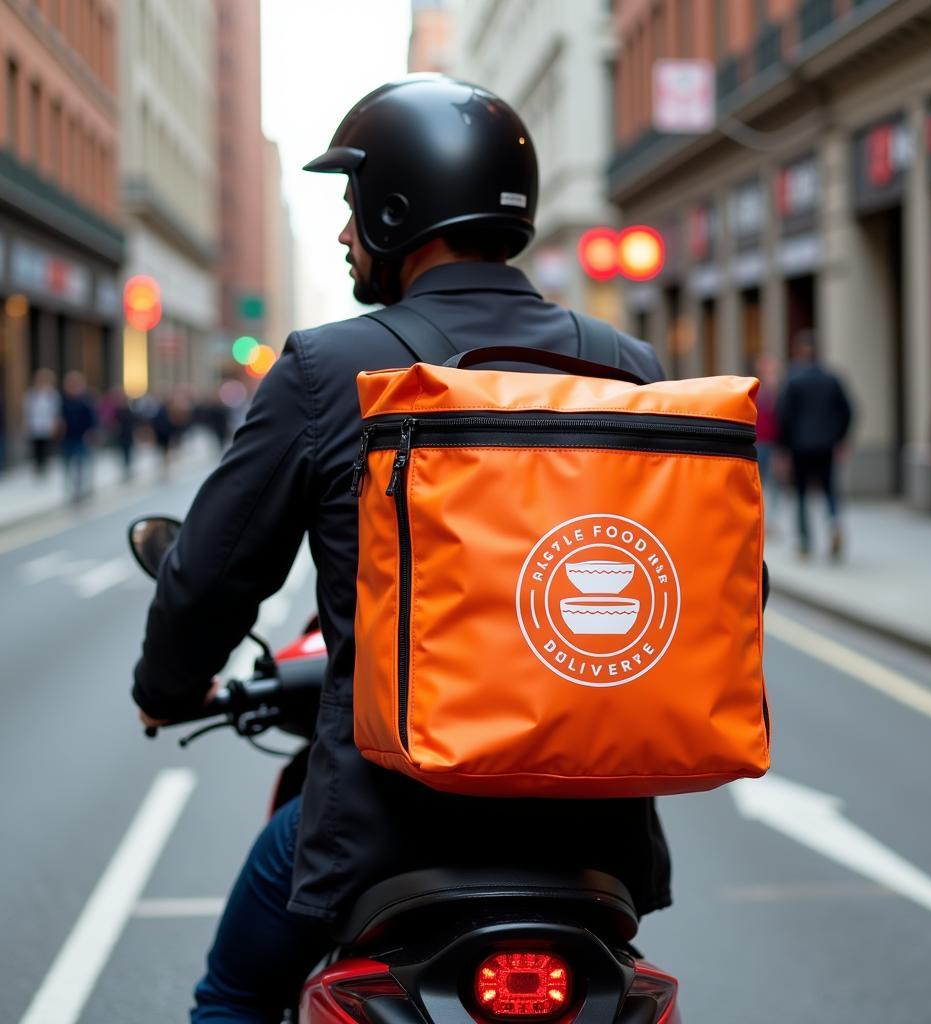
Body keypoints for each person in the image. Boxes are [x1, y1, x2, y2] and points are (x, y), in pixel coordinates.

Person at [131, 76, 671, 1023]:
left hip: (385, 830)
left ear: (395, 210)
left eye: (351, 206)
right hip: (597, 838)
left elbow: (211, 578)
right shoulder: (628, 369)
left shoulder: (327, 368)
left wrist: (167, 690)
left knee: (232, 996)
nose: (343, 233)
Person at [776, 331, 854, 559]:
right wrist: (840, 438)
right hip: (827, 444)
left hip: (800, 446)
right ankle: (833, 522)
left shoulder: (793, 379)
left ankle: (804, 541)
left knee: (800, 492)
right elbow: (848, 411)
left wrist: (784, 447)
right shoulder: (832, 379)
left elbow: (784, 415)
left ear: (799, 352)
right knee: (829, 488)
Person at [754, 352, 782, 533]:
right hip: (758, 443)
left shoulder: (779, 391)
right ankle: (761, 520)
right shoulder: (756, 390)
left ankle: (771, 520)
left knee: (775, 483)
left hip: (774, 443)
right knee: (759, 483)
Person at [60, 371, 98, 504]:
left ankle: (82, 489)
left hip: (82, 438)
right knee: (68, 465)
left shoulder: (86, 402)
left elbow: (92, 421)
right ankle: (72, 490)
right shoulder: (63, 402)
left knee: (82, 465)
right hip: (67, 438)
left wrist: (91, 433)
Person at [23, 368, 61, 476]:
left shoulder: (52, 394)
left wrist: (55, 425)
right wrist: (27, 424)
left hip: (47, 425)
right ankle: (38, 467)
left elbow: (56, 411)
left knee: (46, 447)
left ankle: (45, 467)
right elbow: (27, 410)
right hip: (35, 425)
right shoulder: (31, 394)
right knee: (36, 447)